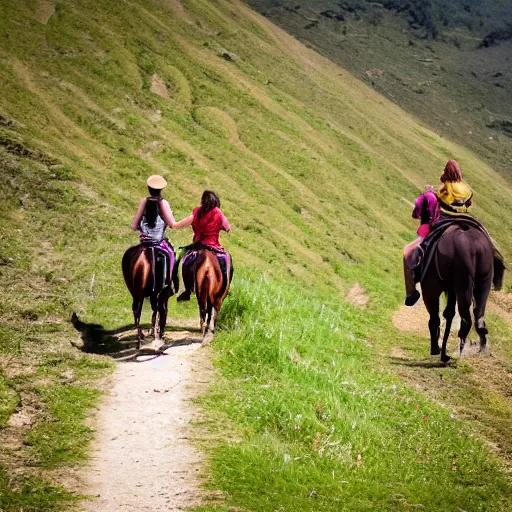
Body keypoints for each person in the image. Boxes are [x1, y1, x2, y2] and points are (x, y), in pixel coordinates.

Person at [172, 190, 231, 301]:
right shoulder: (217, 212)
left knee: (184, 261)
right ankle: (225, 287)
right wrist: (220, 227)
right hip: (213, 246)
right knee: (227, 260)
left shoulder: (197, 212)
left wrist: (173, 224)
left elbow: (180, 224)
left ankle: (187, 291)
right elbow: (228, 227)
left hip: (198, 246)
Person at [131, 175, 177, 287]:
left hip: (144, 243)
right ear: (161, 190)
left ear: (148, 188)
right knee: (171, 254)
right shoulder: (163, 203)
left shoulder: (144, 201)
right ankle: (168, 282)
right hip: (158, 243)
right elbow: (172, 224)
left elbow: (133, 225)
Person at [403, 185, 440, 306]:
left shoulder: (424, 198)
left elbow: (415, 214)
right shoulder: (444, 196)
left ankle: (411, 292)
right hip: (440, 231)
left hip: (427, 231)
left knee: (407, 251)